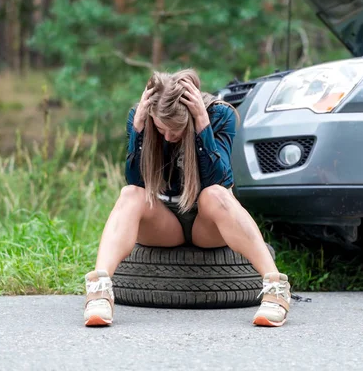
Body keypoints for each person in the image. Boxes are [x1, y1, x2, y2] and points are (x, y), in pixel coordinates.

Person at [83, 69, 291, 328]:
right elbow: (136, 181)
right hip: (165, 223)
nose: (168, 137)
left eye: (176, 130)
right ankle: (99, 291)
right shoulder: (142, 116)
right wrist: (138, 131)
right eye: (161, 129)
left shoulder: (220, 115)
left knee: (215, 194)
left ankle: (275, 287)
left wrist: (202, 127)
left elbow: (221, 181)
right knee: (130, 194)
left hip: (207, 223)